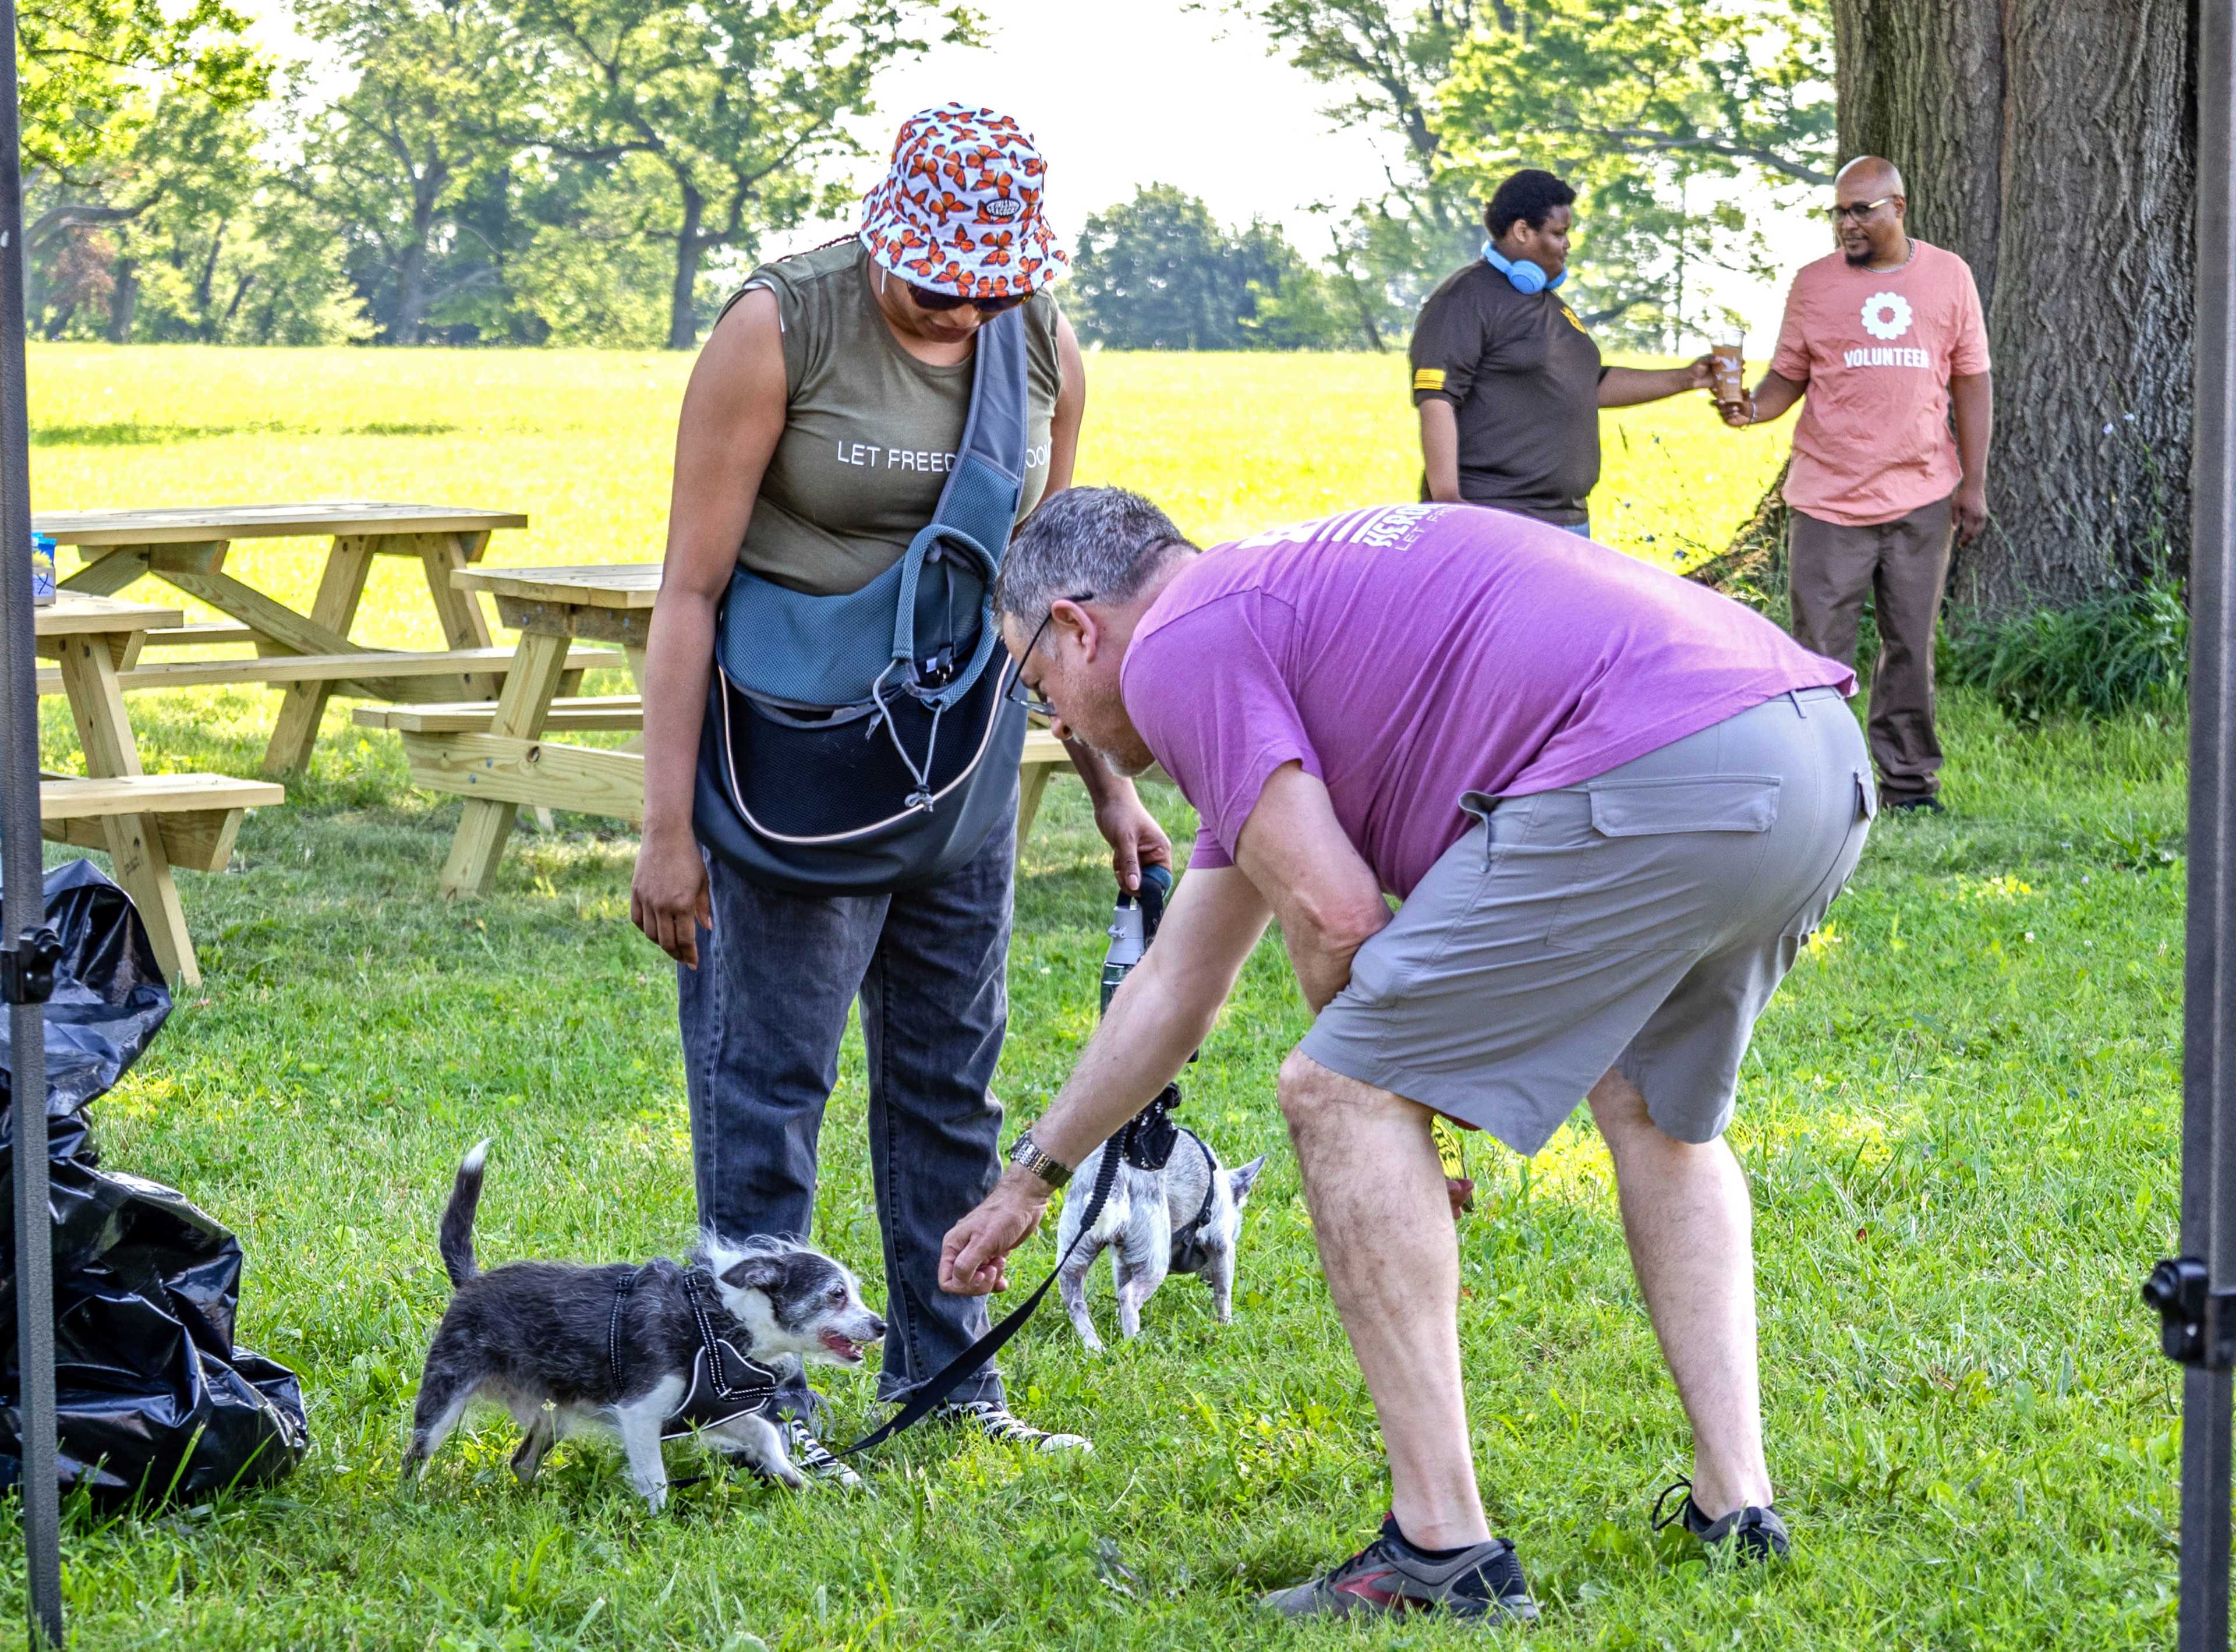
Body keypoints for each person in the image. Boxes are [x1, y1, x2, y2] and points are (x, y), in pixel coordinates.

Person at [939, 489, 1874, 1620]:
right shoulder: (1263, 613)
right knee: (1655, 1111)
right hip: (1806, 750)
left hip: (1657, 763)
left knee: (1333, 1087)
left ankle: (1443, 1546)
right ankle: (1740, 1505)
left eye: (1041, 686)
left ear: (1078, 625)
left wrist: (1400, 1095)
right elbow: (1177, 983)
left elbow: (1337, 919)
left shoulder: (1181, 646)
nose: (1064, 725)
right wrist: (1033, 1173)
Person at [628, 106, 1171, 1482]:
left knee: (949, 1088)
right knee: (768, 1088)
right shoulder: (781, 326)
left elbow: (1059, 599)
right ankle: (765, 1400)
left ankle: (949, 1379)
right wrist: (663, 828)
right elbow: (687, 591)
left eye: (986, 286)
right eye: (935, 283)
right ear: (884, 234)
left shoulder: (1037, 340)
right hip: (785, 778)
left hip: (961, 780)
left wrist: (1105, 783)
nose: (958, 309)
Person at [1724, 155, 1994, 813]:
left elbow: (1972, 381)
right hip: (1827, 500)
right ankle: (1820, 785)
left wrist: (1973, 483)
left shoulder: (1949, 276)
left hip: (1921, 496)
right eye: (1838, 211)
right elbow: (1789, 376)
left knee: (1910, 645)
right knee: (1818, 652)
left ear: (1898, 208)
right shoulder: (1813, 285)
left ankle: (1908, 786)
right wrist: (1752, 407)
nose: (1846, 224)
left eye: (1860, 211)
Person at [1410, 168, 1713, 535]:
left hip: (1566, 520)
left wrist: (1688, 378)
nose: (1567, 245)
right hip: (1497, 519)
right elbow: (1436, 398)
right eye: (1558, 233)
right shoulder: (1465, 297)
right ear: (1523, 231)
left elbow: (1590, 386)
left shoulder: (1550, 305)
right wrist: (1450, 504)